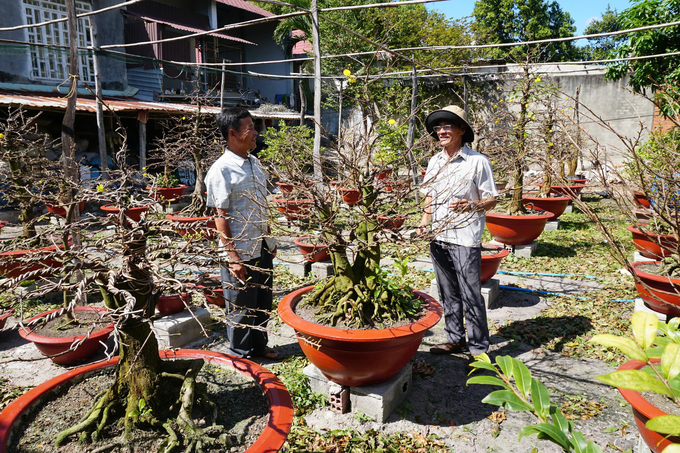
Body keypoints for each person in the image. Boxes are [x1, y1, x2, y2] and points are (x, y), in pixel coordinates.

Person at [417, 105, 498, 360]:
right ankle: (454, 339)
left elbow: (492, 199)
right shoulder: (434, 161)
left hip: (464, 239)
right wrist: (424, 221)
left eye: (447, 125)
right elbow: (429, 194)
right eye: (438, 126)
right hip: (439, 238)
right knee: (447, 292)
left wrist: (471, 205)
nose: (441, 130)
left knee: (471, 295)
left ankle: (479, 351)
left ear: (462, 130)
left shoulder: (478, 161)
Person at [205, 107, 279, 360]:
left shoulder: (255, 163)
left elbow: (261, 202)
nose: (255, 132)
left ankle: (259, 346)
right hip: (240, 250)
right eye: (250, 128)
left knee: (262, 301)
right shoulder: (221, 170)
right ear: (233, 133)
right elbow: (220, 216)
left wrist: (269, 236)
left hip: (261, 245)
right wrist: (232, 256)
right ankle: (241, 355)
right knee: (240, 306)